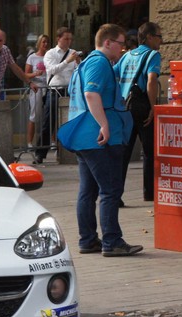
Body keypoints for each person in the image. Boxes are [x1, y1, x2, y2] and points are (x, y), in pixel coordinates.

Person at [67, 24, 141, 257]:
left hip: (84, 137)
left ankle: (88, 240)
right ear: (107, 42)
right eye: (120, 44)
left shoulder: (87, 63)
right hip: (98, 138)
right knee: (110, 190)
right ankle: (112, 242)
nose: (122, 49)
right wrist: (104, 125)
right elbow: (91, 94)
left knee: (88, 191)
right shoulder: (98, 63)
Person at [115, 22, 163, 203]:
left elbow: (113, 74)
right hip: (142, 105)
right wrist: (153, 106)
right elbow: (151, 81)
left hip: (124, 106)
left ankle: (115, 195)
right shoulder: (153, 55)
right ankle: (149, 193)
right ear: (149, 37)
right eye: (159, 36)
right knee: (149, 151)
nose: (161, 41)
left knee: (124, 153)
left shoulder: (127, 55)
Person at [35, 27, 82, 164]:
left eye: (70, 39)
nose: (68, 41)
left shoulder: (73, 53)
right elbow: (51, 70)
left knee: (70, 121)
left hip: (70, 91)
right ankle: (40, 153)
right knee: (48, 122)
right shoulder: (50, 53)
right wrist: (67, 61)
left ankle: (68, 152)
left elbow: (78, 72)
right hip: (55, 90)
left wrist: (78, 62)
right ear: (58, 39)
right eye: (66, 38)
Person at [25, 35, 49, 150]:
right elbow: (25, 74)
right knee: (34, 115)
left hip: (49, 87)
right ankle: (30, 142)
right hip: (36, 88)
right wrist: (35, 74)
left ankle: (52, 142)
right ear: (39, 43)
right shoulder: (32, 57)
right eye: (43, 42)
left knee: (50, 115)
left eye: (47, 42)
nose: (45, 44)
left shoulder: (50, 56)